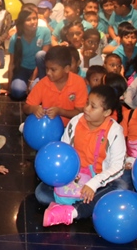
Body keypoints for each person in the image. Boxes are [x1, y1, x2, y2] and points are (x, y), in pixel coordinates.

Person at [36, 85, 128, 226]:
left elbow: (118, 167)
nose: (86, 109)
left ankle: (72, 212)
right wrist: (66, 176)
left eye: (93, 107)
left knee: (120, 187)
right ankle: (84, 206)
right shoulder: (76, 122)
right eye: (87, 103)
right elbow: (64, 150)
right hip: (73, 179)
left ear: (107, 112)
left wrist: (93, 184)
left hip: (98, 181)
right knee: (41, 193)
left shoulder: (114, 131)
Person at [23, 46, 88, 126]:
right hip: (49, 126)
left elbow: (80, 112)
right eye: (47, 68)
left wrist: (60, 111)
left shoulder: (78, 83)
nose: (48, 73)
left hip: (72, 126)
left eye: (53, 70)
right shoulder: (43, 83)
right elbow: (26, 107)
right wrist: (33, 109)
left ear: (67, 69)